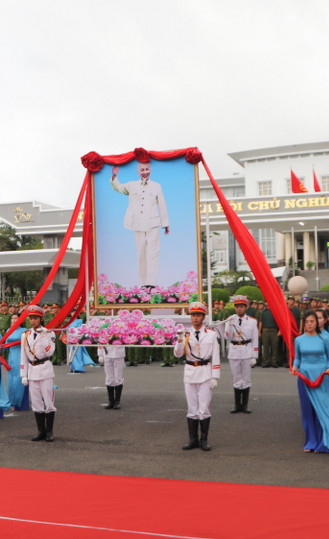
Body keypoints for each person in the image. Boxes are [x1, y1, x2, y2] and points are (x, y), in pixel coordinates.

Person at [291, 312, 329, 453]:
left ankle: (324, 442)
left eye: (312, 321)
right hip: (305, 377)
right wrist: (294, 366)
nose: (309, 324)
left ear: (317, 323)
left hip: (322, 376)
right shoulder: (299, 340)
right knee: (307, 411)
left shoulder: (325, 338)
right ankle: (311, 441)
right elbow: (297, 358)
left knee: (323, 410)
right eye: (307, 322)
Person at [109, 160, 170, 286]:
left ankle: (151, 284)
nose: (145, 172)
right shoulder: (132, 185)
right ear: (138, 171)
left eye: (147, 169)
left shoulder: (157, 186)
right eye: (142, 170)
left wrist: (165, 224)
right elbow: (118, 188)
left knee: (153, 254)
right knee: (141, 254)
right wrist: (114, 176)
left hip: (153, 224)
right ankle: (143, 284)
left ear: (150, 170)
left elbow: (162, 205)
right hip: (137, 224)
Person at [173, 302, 220, 451]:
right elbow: (178, 354)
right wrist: (180, 340)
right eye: (193, 315)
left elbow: (216, 357)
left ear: (203, 317)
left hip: (205, 372)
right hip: (190, 373)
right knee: (192, 408)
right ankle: (193, 440)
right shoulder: (185, 334)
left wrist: (215, 376)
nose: (195, 318)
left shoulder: (211, 334)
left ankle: (204, 440)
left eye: (198, 315)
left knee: (204, 408)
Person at [21, 305, 57, 441]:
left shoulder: (49, 333)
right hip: (32, 370)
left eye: (35, 318)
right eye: (31, 318)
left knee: (48, 401)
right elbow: (23, 356)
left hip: (45, 369)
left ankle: (50, 431)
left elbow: (50, 351)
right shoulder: (25, 335)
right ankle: (41, 431)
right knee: (36, 403)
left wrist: (43, 336)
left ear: (41, 318)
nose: (33, 321)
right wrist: (23, 374)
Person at [224, 295, 258, 413]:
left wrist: (255, 355)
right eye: (237, 307)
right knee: (236, 378)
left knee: (246, 379)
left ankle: (245, 405)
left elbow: (255, 339)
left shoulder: (252, 322)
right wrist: (229, 325)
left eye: (241, 307)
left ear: (246, 307)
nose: (239, 309)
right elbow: (227, 337)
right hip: (234, 350)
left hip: (247, 350)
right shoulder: (230, 320)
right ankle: (237, 405)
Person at [98, 344, 125, 410]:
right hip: (107, 354)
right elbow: (100, 342)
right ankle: (111, 401)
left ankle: (117, 401)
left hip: (118, 355)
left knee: (118, 378)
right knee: (109, 378)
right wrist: (100, 354)